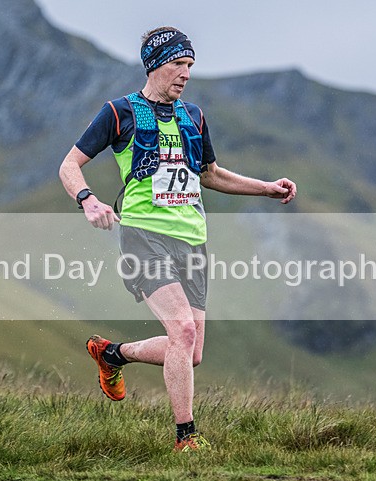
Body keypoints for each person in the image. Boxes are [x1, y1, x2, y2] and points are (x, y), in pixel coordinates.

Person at [59, 26, 297, 452]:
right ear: (154, 65)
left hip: (192, 240)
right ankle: (186, 437)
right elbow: (70, 165)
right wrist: (89, 200)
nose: (185, 74)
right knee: (182, 330)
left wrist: (266, 187)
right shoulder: (118, 113)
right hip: (143, 236)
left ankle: (113, 354)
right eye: (177, 65)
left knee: (190, 351)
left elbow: (211, 175)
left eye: (190, 66)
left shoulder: (194, 116)